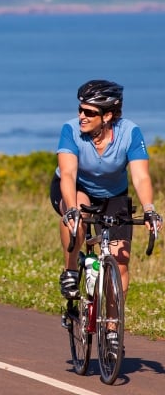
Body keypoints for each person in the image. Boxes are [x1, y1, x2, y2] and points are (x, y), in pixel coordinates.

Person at [50, 79, 162, 349]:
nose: (81, 116)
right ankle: (70, 270)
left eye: (89, 112)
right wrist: (73, 210)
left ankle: (112, 329)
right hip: (76, 188)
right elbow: (67, 174)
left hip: (114, 195)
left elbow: (140, 176)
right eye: (80, 109)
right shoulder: (70, 130)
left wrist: (149, 210)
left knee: (120, 262)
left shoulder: (130, 133)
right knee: (75, 211)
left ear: (108, 115)